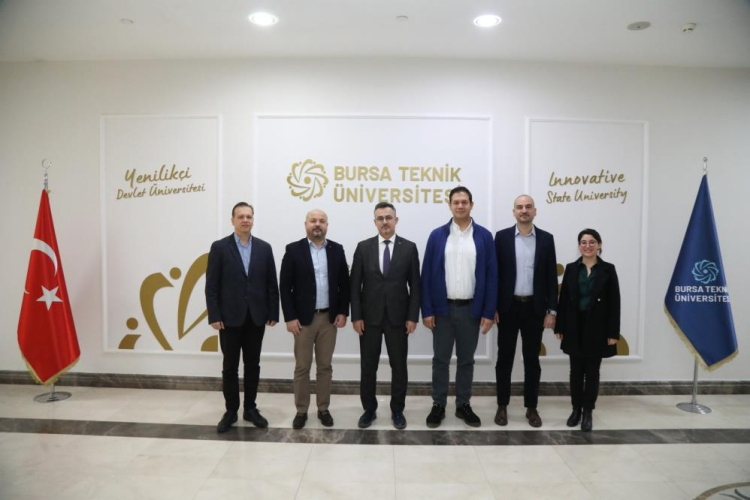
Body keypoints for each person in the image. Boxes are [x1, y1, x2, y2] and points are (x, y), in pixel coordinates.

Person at [421, 186, 497, 428]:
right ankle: (438, 405)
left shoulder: (484, 236)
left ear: (471, 205)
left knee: (466, 361)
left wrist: (488, 312)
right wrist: (427, 310)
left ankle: (463, 404)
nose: (460, 206)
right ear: (450, 205)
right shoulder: (437, 236)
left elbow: (492, 275)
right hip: (442, 310)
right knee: (440, 360)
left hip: (470, 310)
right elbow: (426, 275)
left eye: (465, 202)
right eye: (456, 202)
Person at [205, 202, 279, 434]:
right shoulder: (219, 247)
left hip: (256, 317)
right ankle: (231, 411)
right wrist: (214, 314)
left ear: (253, 219)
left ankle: (250, 408)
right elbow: (211, 285)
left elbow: (271, 283)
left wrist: (273, 312)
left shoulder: (264, 248)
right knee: (230, 367)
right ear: (233, 220)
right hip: (229, 318)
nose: (245, 220)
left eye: (249, 216)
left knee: (252, 365)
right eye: (241, 216)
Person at [350, 202, 421, 430]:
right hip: (368, 319)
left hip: (398, 319)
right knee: (368, 366)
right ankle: (369, 410)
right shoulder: (363, 247)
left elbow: (415, 286)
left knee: (399, 367)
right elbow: (355, 286)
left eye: (388, 217)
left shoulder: (409, 248)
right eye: (380, 218)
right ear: (375, 222)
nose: (385, 222)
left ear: (396, 220)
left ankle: (397, 410)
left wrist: (412, 317)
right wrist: (356, 316)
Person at [279, 209, 350, 429]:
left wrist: (343, 312)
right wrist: (290, 317)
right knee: (302, 367)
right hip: (302, 321)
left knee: (325, 367)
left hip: (329, 319)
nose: (317, 224)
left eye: (321, 221)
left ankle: (323, 408)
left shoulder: (337, 249)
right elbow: (285, 286)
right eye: (313, 221)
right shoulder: (293, 250)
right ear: (306, 224)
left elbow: (344, 284)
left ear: (327, 225)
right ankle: (301, 410)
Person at [494, 195, 558, 428]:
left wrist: (552, 311)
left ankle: (531, 407)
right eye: (519, 207)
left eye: (528, 207)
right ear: (514, 212)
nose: (524, 210)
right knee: (504, 359)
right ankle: (502, 405)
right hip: (507, 308)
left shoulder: (546, 239)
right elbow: (495, 275)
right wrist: (492, 307)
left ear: (535, 211)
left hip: (535, 309)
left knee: (532, 360)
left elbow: (551, 277)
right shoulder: (501, 237)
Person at [555, 228, 620, 432]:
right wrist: (560, 326)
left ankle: (588, 411)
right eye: (583, 242)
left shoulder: (608, 269)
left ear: (599, 245)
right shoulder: (571, 268)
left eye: (592, 242)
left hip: (598, 327)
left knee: (592, 371)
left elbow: (615, 302)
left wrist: (613, 332)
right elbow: (563, 300)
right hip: (574, 326)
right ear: (579, 245)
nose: (588, 246)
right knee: (575, 371)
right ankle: (576, 409)